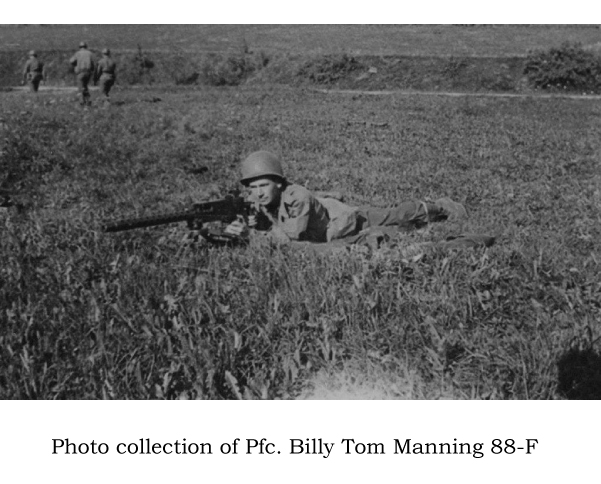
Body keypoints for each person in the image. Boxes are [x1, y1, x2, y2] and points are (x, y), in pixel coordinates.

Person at [223, 151, 471, 248]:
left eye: (264, 185)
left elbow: (292, 237)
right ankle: (416, 224)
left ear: (278, 182)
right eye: (253, 187)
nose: (259, 193)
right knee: (391, 225)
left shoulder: (298, 196)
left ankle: (441, 206)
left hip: (344, 220)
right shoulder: (261, 200)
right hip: (329, 226)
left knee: (396, 214)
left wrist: (251, 235)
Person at [69, 41, 95, 106]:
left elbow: (71, 61)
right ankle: (88, 101)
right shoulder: (90, 53)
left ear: (80, 47)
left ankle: (82, 102)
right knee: (85, 86)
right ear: (86, 46)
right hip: (88, 73)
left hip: (80, 72)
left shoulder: (78, 53)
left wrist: (75, 65)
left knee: (80, 88)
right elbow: (93, 63)